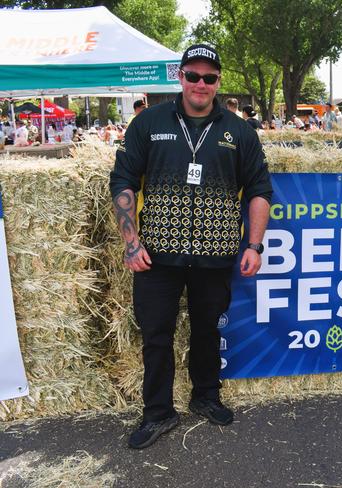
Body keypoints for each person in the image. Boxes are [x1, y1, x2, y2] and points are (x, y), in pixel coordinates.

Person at [110, 43, 273, 449]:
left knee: (206, 330)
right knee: (156, 334)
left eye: (210, 77)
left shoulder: (239, 130)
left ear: (218, 82)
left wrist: (254, 244)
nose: (201, 84)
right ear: (180, 76)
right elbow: (123, 180)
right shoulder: (149, 122)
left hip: (215, 254)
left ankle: (205, 396)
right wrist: (131, 242)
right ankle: (158, 413)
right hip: (156, 256)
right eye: (193, 75)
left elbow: (259, 189)